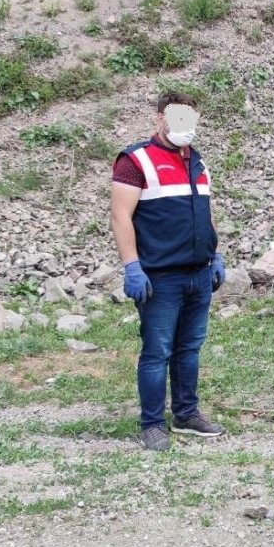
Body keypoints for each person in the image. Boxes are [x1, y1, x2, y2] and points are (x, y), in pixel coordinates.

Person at [111, 92, 227, 451]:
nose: (184, 129)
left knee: (189, 349)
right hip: (160, 277)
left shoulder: (198, 162)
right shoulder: (135, 161)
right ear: (160, 118)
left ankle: (186, 414)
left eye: (189, 121)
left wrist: (216, 254)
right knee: (157, 352)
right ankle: (152, 424)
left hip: (199, 273)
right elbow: (120, 216)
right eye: (177, 120)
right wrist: (132, 266)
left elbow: (205, 213)